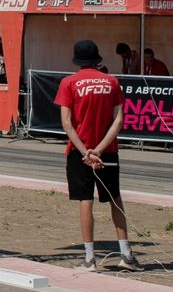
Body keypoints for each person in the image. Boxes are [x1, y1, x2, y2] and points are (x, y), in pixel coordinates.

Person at [55, 39, 137, 271]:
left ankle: (89, 258)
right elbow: (118, 120)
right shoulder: (112, 82)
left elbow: (66, 122)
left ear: (77, 60)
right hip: (107, 151)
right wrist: (99, 150)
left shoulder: (69, 82)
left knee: (85, 200)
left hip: (79, 152)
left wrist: (86, 152)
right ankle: (126, 254)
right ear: (97, 59)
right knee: (115, 199)